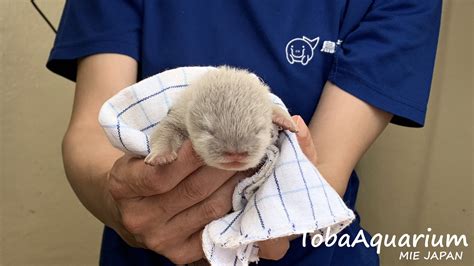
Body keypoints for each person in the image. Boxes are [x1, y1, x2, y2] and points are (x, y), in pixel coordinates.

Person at [46, 0, 442, 265]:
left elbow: (322, 174)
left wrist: (275, 218)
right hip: (146, 252)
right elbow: (95, 130)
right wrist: (123, 200)